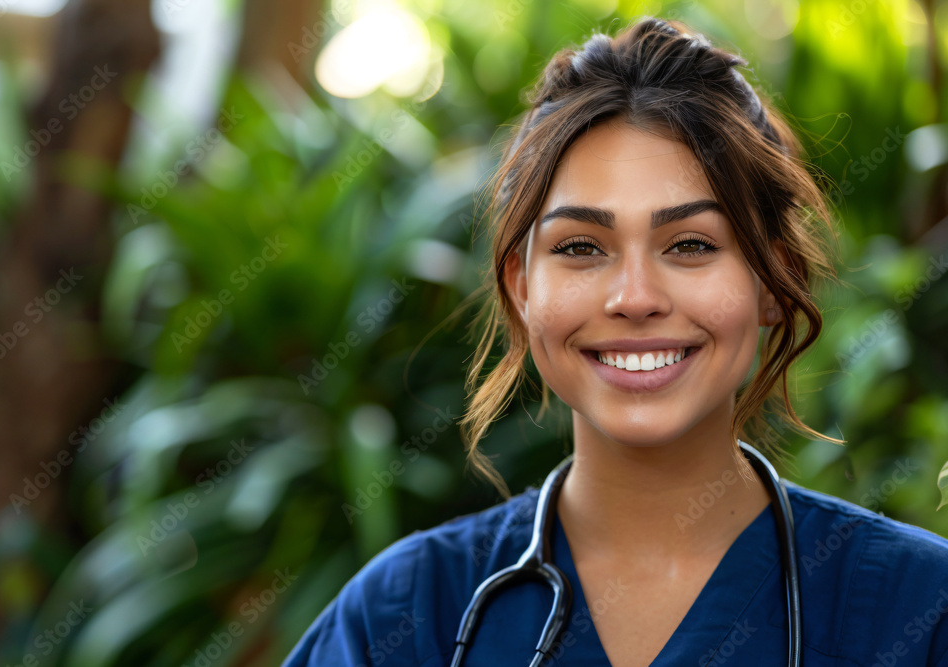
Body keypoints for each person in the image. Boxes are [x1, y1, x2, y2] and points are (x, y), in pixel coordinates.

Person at [281, 16, 948, 667]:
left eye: (691, 244)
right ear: (522, 287)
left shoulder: (921, 609)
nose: (634, 296)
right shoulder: (399, 617)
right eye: (581, 247)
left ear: (775, 279)